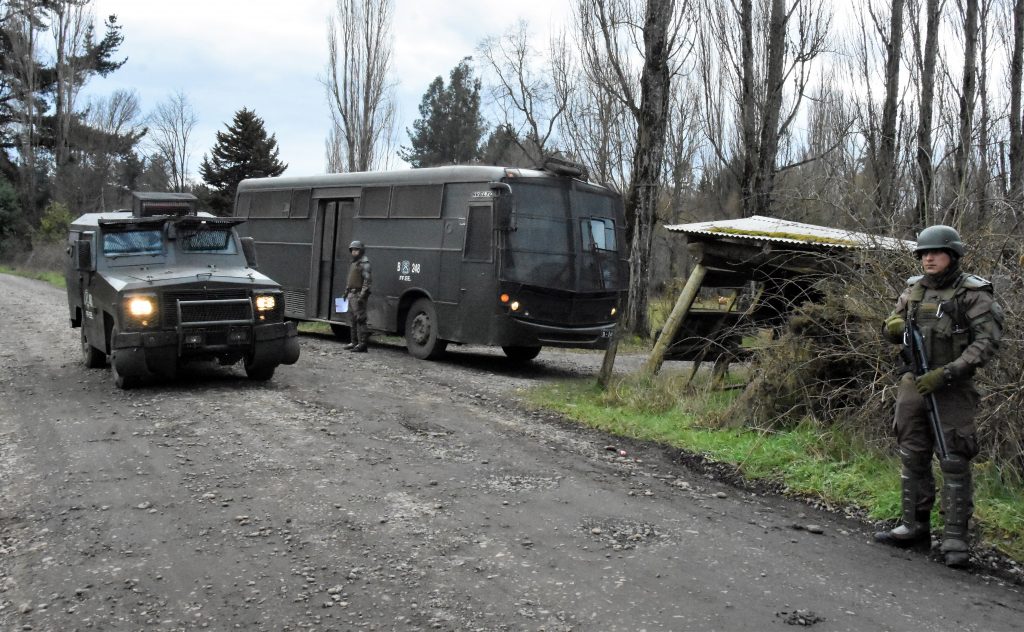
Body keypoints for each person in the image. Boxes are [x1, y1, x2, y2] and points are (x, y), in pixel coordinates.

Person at [875, 225, 1002, 568]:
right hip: (914, 382)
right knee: (912, 454)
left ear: (953, 255)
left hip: (953, 386)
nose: (928, 258)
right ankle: (914, 526)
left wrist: (946, 373)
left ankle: (955, 537)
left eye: (935, 253)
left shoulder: (973, 293)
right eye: (923, 254)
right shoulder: (913, 290)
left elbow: (986, 342)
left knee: (954, 459)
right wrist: (892, 327)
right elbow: (892, 325)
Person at [344, 240, 372, 353]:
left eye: (356, 250)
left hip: (358, 294)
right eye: (352, 250)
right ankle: (354, 342)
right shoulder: (353, 263)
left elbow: (367, 281)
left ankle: (362, 344)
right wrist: (346, 292)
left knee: (360, 319)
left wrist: (362, 295)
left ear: (361, 251)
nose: (354, 252)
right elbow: (350, 280)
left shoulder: (364, 263)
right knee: (352, 320)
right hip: (351, 294)